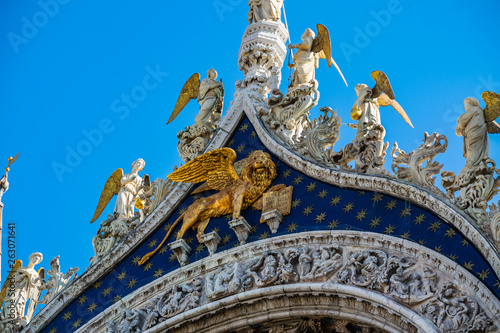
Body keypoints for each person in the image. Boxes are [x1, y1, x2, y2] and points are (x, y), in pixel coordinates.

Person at [1, 253, 43, 326]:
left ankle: (14, 321)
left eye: (38, 260)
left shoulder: (35, 273)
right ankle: (6, 319)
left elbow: (33, 284)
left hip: (24, 292)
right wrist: (26, 274)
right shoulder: (21, 269)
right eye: (35, 258)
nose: (36, 260)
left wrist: (27, 275)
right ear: (31, 258)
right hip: (15, 289)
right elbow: (13, 280)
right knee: (10, 302)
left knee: (19, 305)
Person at [455, 97, 489, 168]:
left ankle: (473, 164)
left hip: (474, 135)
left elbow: (461, 123)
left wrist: (459, 120)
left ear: (470, 103)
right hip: (473, 135)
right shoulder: (477, 111)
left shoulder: (475, 109)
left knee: (474, 151)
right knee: (474, 151)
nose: (464, 108)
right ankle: (474, 164)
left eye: (465, 105)